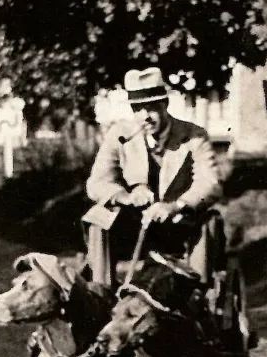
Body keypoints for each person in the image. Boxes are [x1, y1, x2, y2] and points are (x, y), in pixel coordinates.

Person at [84, 66, 226, 287]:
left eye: (151, 108)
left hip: (179, 229)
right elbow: (97, 182)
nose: (145, 117)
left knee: (207, 222)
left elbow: (210, 183)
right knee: (98, 217)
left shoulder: (194, 136)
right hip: (135, 227)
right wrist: (126, 196)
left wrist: (176, 205)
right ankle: (101, 290)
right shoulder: (119, 135)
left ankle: (196, 295)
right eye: (138, 109)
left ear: (165, 105)